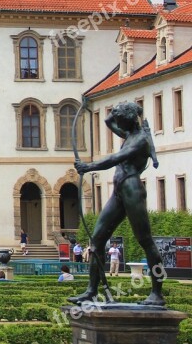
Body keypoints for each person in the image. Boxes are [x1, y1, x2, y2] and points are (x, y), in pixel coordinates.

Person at [69, 102, 165, 306]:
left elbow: (115, 158)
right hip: (120, 190)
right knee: (96, 241)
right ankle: (91, 291)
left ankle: (157, 293)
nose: (118, 124)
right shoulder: (130, 134)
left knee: (145, 241)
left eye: (122, 121)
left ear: (129, 120)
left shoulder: (140, 140)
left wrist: (88, 166)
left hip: (132, 190)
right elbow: (107, 120)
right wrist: (117, 111)